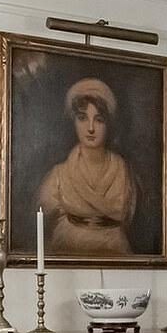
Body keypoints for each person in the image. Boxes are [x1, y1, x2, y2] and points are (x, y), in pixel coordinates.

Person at [37, 77, 137, 256]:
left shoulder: (124, 173)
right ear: (73, 122)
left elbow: (127, 215)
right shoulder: (59, 175)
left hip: (116, 251)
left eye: (99, 120)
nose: (90, 128)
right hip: (66, 249)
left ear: (108, 124)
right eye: (82, 118)